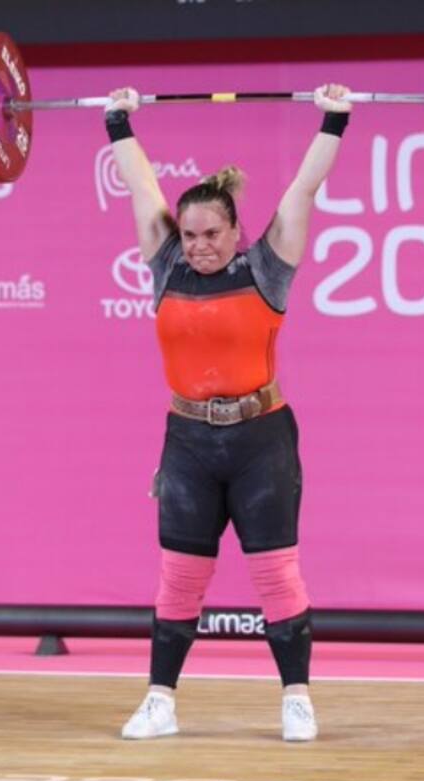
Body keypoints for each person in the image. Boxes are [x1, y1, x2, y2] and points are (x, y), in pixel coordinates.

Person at [106, 84, 353, 742]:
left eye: (210, 233)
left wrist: (336, 115)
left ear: (235, 230)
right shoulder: (165, 268)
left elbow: (302, 189)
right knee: (180, 578)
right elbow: (140, 189)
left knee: (276, 573)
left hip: (260, 441)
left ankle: (296, 698)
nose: (197, 245)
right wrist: (117, 120)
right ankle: (160, 701)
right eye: (187, 234)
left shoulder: (266, 269)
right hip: (187, 441)